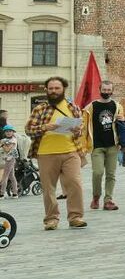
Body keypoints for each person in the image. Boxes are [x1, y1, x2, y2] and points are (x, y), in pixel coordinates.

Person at [25, 76, 90, 230]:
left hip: (71, 151)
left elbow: (79, 130)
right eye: (51, 88)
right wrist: (45, 127)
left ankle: (75, 217)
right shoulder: (40, 108)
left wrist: (77, 129)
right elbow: (28, 130)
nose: (54, 91)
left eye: (57, 88)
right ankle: (51, 219)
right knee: (49, 188)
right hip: (46, 153)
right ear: (46, 90)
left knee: (75, 184)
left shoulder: (72, 107)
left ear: (63, 89)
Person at [85, 80, 125, 210]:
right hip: (97, 145)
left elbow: (121, 124)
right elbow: (84, 124)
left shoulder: (117, 106)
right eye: (104, 90)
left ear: (112, 91)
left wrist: (123, 121)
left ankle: (108, 200)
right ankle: (96, 197)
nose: (107, 92)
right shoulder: (91, 106)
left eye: (109, 90)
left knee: (111, 174)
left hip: (112, 145)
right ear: (100, 89)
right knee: (98, 172)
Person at [1, 125, 23, 197]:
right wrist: (3, 144)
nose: (8, 132)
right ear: (4, 132)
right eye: (7, 131)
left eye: (10, 131)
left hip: (10, 159)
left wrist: (2, 144)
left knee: (5, 176)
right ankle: (15, 193)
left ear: (13, 132)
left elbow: (7, 149)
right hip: (7, 159)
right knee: (12, 176)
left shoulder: (13, 140)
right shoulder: (4, 140)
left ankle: (1, 194)